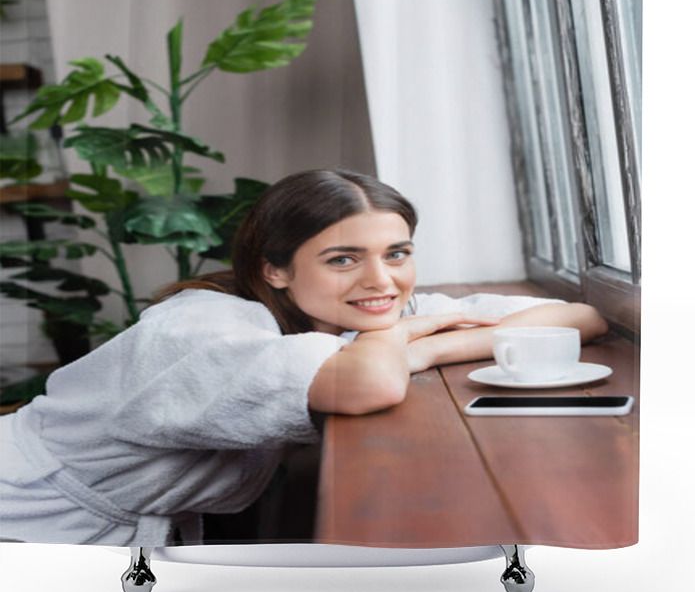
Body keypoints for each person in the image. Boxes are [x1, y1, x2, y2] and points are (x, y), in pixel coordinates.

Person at [0, 169, 608, 546]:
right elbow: (370, 383)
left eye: (397, 253)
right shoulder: (201, 327)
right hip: (26, 519)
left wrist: (430, 336)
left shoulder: (368, 309)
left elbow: (581, 317)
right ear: (276, 269)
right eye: (343, 259)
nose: (382, 281)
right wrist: (410, 339)